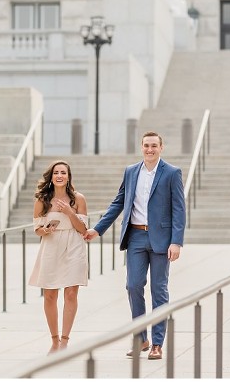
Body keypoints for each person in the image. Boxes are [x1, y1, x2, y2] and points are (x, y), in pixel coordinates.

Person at [83, 131, 185, 360]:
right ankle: (141, 338)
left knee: (159, 290)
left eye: (154, 146)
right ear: (141, 147)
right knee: (133, 285)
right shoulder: (131, 172)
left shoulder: (171, 173)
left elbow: (179, 209)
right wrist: (97, 229)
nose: (150, 150)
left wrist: (176, 241)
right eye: (146, 146)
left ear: (161, 147)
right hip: (136, 237)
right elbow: (118, 202)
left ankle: (158, 343)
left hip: (161, 239)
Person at [28, 160, 89, 353]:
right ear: (51, 176)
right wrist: (44, 230)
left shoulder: (78, 198)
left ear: (69, 176)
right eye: (56, 173)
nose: (60, 176)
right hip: (51, 246)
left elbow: (83, 230)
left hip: (74, 246)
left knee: (71, 293)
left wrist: (70, 212)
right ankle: (54, 340)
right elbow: (36, 229)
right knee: (50, 295)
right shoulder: (41, 199)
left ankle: (65, 340)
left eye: (63, 172)